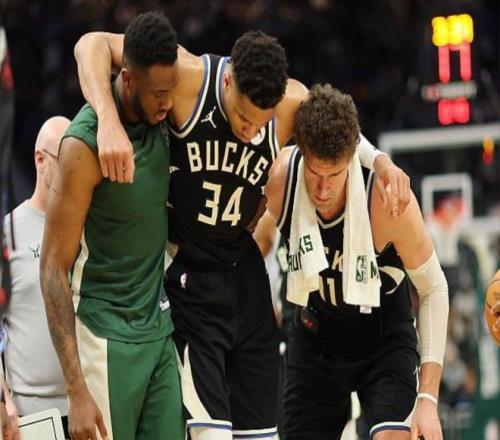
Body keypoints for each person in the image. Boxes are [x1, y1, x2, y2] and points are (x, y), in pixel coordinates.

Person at [73, 26, 411, 440]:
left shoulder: (289, 104)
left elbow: (339, 129)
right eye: (244, 119)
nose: (251, 132)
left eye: (260, 124)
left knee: (262, 436)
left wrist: (381, 163)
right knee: (210, 435)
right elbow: (91, 44)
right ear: (229, 81)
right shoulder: (189, 79)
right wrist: (106, 119)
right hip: (189, 277)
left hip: (245, 274)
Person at [264, 84, 449, 440]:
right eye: (314, 173)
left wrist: (427, 399)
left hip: (382, 338)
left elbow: (434, 288)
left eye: (333, 175)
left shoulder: (386, 200)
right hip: (314, 338)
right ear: (302, 153)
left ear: (351, 159)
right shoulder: (281, 180)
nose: (322, 190)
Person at [39, 13, 183, 440]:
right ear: (128, 80)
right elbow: (51, 268)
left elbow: (96, 42)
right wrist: (75, 389)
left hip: (158, 331)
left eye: (172, 91)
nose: (169, 104)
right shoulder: (83, 146)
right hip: (104, 337)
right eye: (159, 94)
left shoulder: (160, 115)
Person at [2, 116, 70, 439]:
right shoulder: (8, 234)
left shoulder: (88, 229)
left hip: (89, 402)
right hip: (31, 415)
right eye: (64, 159)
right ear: (40, 160)